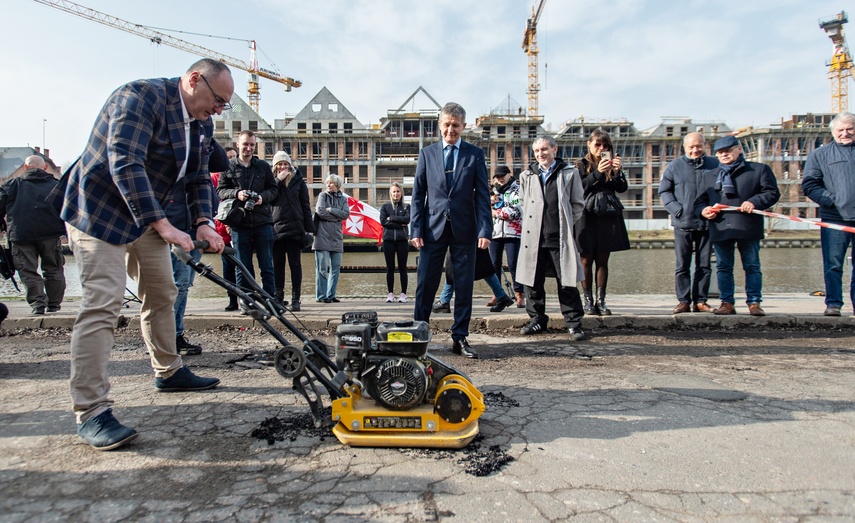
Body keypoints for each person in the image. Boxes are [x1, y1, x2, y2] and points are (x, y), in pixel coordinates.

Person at [47, 58, 228, 451]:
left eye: (223, 106)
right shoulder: (138, 97)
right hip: (98, 211)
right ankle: (92, 410)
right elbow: (125, 163)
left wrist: (202, 220)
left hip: (146, 216)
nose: (218, 111)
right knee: (104, 302)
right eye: (217, 101)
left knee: (163, 292)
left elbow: (197, 175)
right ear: (194, 80)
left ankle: (168, 370)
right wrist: (163, 225)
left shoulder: (202, 123)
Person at [410, 102, 492, 359]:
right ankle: (418, 335)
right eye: (446, 124)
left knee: (464, 285)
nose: (450, 130)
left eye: (455, 125)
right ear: (439, 125)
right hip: (432, 229)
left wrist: (485, 229)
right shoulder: (427, 154)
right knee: (426, 284)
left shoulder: (474, 154)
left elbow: (482, 195)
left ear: (463, 126)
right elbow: (418, 194)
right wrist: (415, 228)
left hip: (465, 229)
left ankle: (460, 337)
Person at [696, 135, 781, 316]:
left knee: (752, 266)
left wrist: (754, 201)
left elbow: (772, 193)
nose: (724, 155)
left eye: (728, 151)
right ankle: (727, 303)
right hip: (720, 226)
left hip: (747, 226)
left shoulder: (759, 170)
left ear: (739, 149)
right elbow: (699, 201)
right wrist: (704, 210)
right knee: (723, 267)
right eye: (720, 152)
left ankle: (754, 302)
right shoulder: (709, 175)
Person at [516, 136, 587, 340]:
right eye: (537, 151)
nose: (541, 154)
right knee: (533, 281)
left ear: (554, 149)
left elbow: (577, 204)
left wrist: (565, 223)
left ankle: (574, 323)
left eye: (544, 149)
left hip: (559, 237)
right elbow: (523, 202)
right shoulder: (527, 175)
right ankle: (537, 320)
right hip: (534, 237)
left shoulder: (569, 173)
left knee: (567, 281)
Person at [167, 139, 230, 355]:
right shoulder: (173, 169)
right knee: (177, 285)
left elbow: (221, 164)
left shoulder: (199, 171)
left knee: (183, 285)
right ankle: (170, 337)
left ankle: (175, 334)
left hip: (194, 231)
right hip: (177, 229)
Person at [658, 132, 719, 314]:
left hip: (707, 223)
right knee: (682, 265)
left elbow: (720, 190)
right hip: (682, 223)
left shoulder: (715, 165)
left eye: (698, 146)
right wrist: (678, 209)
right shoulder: (674, 167)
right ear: (684, 147)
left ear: (704, 145)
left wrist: (715, 209)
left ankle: (700, 300)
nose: (695, 150)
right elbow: (665, 192)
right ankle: (683, 301)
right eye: (691, 147)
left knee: (704, 265)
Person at [217, 130, 279, 311]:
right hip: (239, 222)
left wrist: (261, 198)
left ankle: (270, 301)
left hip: (262, 221)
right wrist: (237, 193)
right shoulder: (228, 167)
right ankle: (247, 301)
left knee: (267, 264)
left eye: (252, 145)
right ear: (238, 144)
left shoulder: (263, 166)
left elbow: (273, 190)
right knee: (242, 266)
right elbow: (220, 191)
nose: (249, 148)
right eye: (245, 144)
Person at [802, 112, 855, 316]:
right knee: (833, 264)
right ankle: (833, 303)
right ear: (833, 132)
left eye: (849, 128)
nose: (845, 133)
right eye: (840, 130)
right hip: (834, 218)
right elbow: (809, 185)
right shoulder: (819, 155)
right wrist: (831, 200)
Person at [0, 155, 66, 315]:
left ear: (25, 167)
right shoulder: (57, 186)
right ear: (44, 168)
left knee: (27, 270)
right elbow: (67, 210)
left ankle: (38, 304)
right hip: (50, 234)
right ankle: (53, 304)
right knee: (54, 268)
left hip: (21, 235)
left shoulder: (11, 186)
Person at [575, 129, 631, 316]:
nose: (601, 149)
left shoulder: (611, 165)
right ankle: (588, 301)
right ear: (589, 145)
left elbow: (621, 188)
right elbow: (581, 187)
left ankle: (601, 301)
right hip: (586, 215)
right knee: (585, 258)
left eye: (605, 145)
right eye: (597, 145)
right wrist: (599, 172)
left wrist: (616, 172)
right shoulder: (580, 165)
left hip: (607, 215)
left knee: (602, 259)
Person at [270, 150, 314, 311]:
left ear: (290, 165)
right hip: (276, 229)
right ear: (275, 167)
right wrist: (278, 181)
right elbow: (267, 198)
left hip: (296, 228)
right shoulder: (271, 181)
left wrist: (310, 229)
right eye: (280, 164)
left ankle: (296, 298)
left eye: (285, 164)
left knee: (295, 265)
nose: (283, 167)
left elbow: (305, 205)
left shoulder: (298, 182)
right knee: (278, 266)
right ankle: (278, 298)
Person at [488, 165, 523, 309]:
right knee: (493, 265)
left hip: (513, 232)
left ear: (510, 174)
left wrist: (496, 212)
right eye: (497, 176)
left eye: (503, 175)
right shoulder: (493, 191)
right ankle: (497, 293)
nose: (500, 178)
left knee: (514, 264)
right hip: (495, 233)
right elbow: (483, 208)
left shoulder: (518, 189)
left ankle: (519, 294)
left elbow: (518, 210)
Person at [210, 146, 239, 311]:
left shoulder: (238, 176)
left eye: (234, 157)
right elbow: (216, 204)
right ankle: (232, 299)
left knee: (244, 266)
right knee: (228, 268)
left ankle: (246, 298)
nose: (231, 160)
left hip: (238, 228)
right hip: (222, 232)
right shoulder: (214, 178)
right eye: (228, 157)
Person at [313, 174, 349, 303]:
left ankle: (331, 295)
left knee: (336, 268)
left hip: (336, 238)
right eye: (327, 183)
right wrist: (336, 217)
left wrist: (332, 210)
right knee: (322, 269)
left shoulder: (343, 199)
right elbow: (320, 212)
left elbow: (345, 214)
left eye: (331, 183)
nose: (328, 185)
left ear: (337, 185)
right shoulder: (322, 196)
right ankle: (321, 296)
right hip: (322, 237)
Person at [380, 181, 411, 303]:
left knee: (403, 267)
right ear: (390, 193)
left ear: (401, 193)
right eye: (394, 191)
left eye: (398, 191)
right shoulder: (385, 207)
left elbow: (407, 219)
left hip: (402, 240)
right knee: (390, 268)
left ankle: (403, 294)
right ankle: (390, 294)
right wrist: (400, 223)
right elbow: (383, 222)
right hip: (388, 241)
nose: (396, 194)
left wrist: (392, 218)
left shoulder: (406, 207)